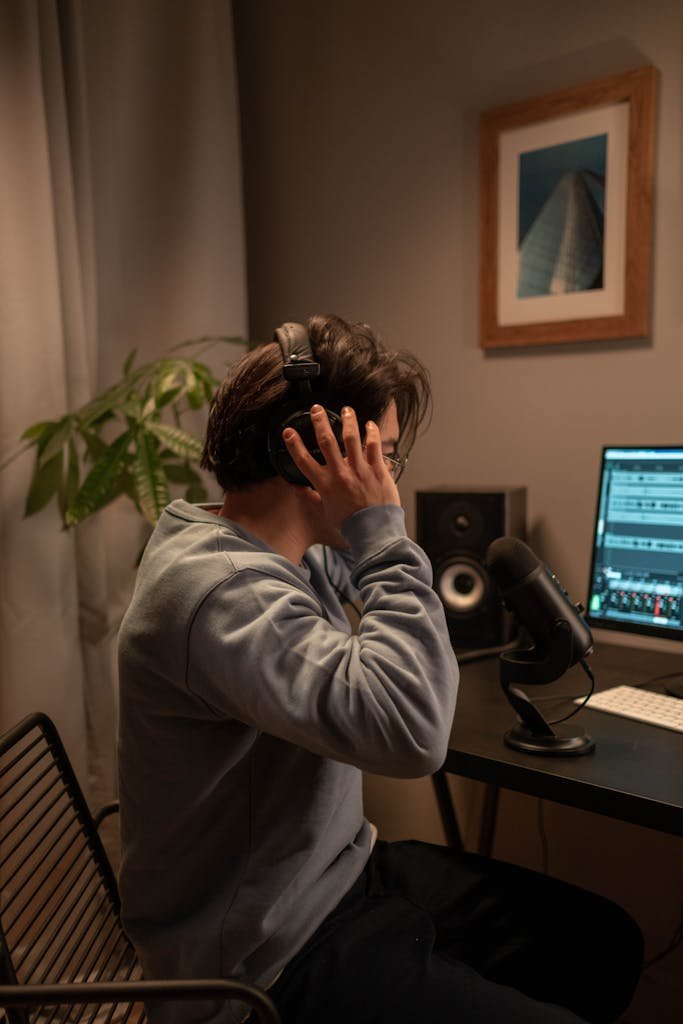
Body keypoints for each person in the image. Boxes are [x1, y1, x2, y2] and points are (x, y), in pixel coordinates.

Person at [117, 314, 643, 1024]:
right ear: (306, 458)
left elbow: (388, 651)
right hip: (263, 960)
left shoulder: (269, 547)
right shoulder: (218, 591)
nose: (387, 484)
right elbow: (412, 733)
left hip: (332, 880)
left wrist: (365, 535)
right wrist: (379, 532)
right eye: (382, 459)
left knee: (601, 940)